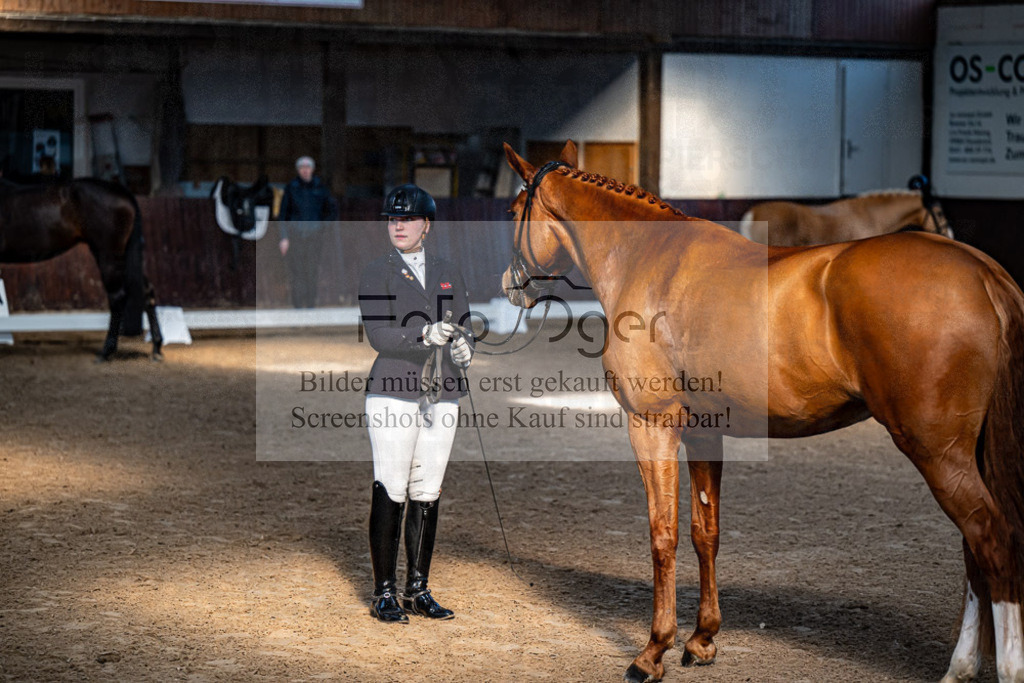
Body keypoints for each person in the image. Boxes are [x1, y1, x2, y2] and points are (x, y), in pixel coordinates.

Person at [357, 183, 474, 623]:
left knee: (428, 490)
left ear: (426, 224)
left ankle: (417, 589)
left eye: (406, 219)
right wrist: (424, 335)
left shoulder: (448, 269)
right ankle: (384, 591)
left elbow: (463, 323)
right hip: (393, 389)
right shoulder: (376, 272)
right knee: (392, 485)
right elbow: (378, 335)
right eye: (392, 219)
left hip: (443, 391)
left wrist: (466, 348)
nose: (398, 225)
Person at [278, 156, 338, 308]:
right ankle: (298, 308)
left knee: (312, 272)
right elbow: (283, 214)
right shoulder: (292, 188)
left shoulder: (320, 188)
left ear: (312, 169)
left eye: (308, 167)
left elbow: (331, 210)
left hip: (314, 237)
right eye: (302, 168)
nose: (305, 170)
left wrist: (322, 228)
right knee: (297, 272)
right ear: (298, 170)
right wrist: (284, 237)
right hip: (296, 237)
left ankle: (310, 308)